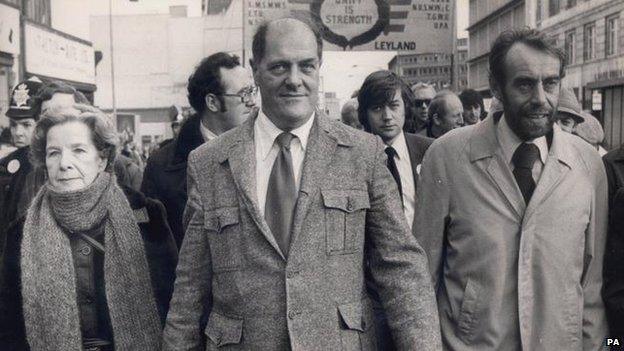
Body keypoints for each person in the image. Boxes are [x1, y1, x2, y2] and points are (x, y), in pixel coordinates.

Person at [162, 18, 441, 350]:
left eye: (306, 66)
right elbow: (191, 286)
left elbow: (401, 270)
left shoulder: (362, 154)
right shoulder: (209, 162)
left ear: (318, 67)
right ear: (255, 69)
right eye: (280, 66)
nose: (294, 80)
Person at [414, 28, 608, 350]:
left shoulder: (588, 165)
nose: (540, 99)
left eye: (550, 83)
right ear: (496, 87)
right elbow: (420, 280)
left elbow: (591, 286)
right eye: (524, 84)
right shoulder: (448, 157)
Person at [0, 106, 178, 350]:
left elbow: (175, 303)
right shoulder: (20, 233)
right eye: (54, 153)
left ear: (102, 158)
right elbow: (9, 328)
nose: (64, 164)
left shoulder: (146, 216)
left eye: (79, 151)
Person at [141, 52, 256, 247]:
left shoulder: (268, 149)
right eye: (243, 94)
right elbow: (150, 243)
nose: (252, 101)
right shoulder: (161, 166)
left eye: (252, 91)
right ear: (212, 102)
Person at [357, 69, 434, 351]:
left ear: (405, 108)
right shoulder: (353, 158)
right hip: (372, 287)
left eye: (394, 105)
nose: (387, 116)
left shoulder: (430, 151)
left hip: (424, 279)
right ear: (364, 113)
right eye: (377, 108)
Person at [0, 78, 43, 251]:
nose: (18, 133)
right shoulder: (6, 164)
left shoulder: (50, 165)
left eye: (26, 125)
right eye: (14, 125)